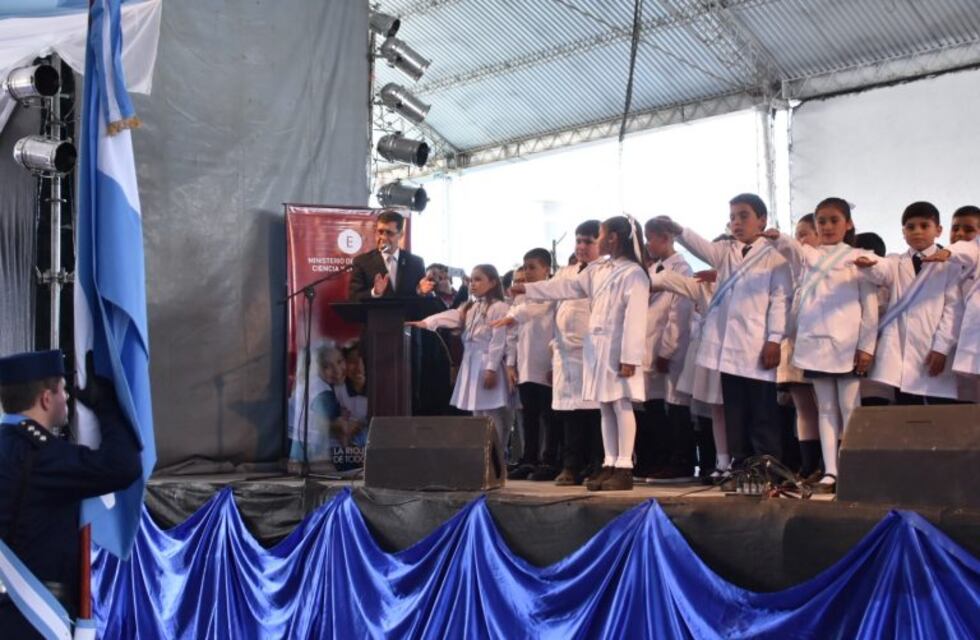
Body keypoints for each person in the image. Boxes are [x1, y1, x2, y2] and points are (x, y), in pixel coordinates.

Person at [0, 350, 142, 639]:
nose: (68, 397)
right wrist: (107, 407)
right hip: (35, 617)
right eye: (63, 389)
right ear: (46, 398)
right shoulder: (42, 456)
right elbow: (123, 466)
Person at [502, 216, 648, 491]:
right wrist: (530, 288)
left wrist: (630, 356)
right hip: (598, 349)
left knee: (621, 405)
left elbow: (636, 318)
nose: (597, 239)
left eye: (600, 234)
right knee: (605, 406)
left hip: (618, 350)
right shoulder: (601, 270)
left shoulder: (633, 273)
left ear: (613, 237)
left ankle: (625, 465)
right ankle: (610, 462)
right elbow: (567, 287)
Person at [657, 193, 793, 470]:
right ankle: (740, 464)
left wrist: (774, 339)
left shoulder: (776, 257)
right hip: (728, 348)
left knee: (762, 412)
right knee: (735, 411)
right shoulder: (725, 252)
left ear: (762, 220)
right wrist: (678, 230)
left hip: (758, 344)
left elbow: (780, 300)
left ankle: (767, 466)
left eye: (744, 216)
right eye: (732, 218)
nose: (737, 223)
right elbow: (701, 247)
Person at [765, 198, 878, 493]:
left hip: (848, 344)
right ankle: (830, 471)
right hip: (815, 344)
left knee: (850, 408)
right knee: (825, 409)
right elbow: (792, 249)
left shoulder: (860, 257)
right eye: (822, 221)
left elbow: (870, 307)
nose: (827, 227)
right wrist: (779, 238)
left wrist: (866, 347)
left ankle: (854, 468)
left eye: (833, 220)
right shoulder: (808, 256)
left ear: (848, 224)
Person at [854, 201, 964, 404]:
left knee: (941, 414)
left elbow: (953, 310)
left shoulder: (950, 266)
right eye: (910, 227)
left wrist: (941, 348)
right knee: (908, 416)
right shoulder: (896, 262)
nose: (917, 231)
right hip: (901, 353)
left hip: (934, 348)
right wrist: (869, 264)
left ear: (938, 230)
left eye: (924, 226)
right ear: (903, 232)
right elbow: (882, 269)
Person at [408, 265, 512, 449]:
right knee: (477, 412)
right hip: (471, 363)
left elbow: (498, 341)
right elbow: (452, 316)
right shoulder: (470, 307)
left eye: (478, 279)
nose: (473, 284)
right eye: (471, 280)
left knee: (490, 411)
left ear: (493, 282)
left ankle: (497, 455)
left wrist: (491, 368)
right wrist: (427, 322)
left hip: (486, 363)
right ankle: (482, 452)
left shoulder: (500, 307)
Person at [638, 217, 694, 482]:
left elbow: (678, 313)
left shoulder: (681, 268)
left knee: (676, 407)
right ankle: (659, 461)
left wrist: (667, 351)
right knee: (655, 408)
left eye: (651, 239)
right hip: (651, 347)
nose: (648, 244)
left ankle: (681, 462)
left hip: (670, 350)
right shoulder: (654, 268)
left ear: (665, 238)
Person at [504, 248, 559, 481]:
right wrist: (510, 364)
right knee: (529, 416)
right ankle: (529, 458)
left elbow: (559, 328)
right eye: (525, 268)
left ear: (547, 269)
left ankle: (550, 460)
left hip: (547, 363)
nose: (527, 272)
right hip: (526, 365)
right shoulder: (520, 297)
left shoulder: (554, 295)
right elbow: (512, 334)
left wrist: (555, 363)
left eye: (533, 267)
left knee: (550, 415)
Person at [348, 210, 433, 301]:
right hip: (376, 314)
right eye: (380, 232)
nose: (383, 238)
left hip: (408, 315)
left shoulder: (415, 263)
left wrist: (421, 292)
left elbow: (425, 300)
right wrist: (375, 292)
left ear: (400, 235)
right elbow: (354, 297)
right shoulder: (362, 262)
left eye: (389, 233)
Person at [853, 232, 895, 406]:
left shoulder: (886, 287)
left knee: (876, 406)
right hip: (851, 357)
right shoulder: (851, 285)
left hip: (877, 358)